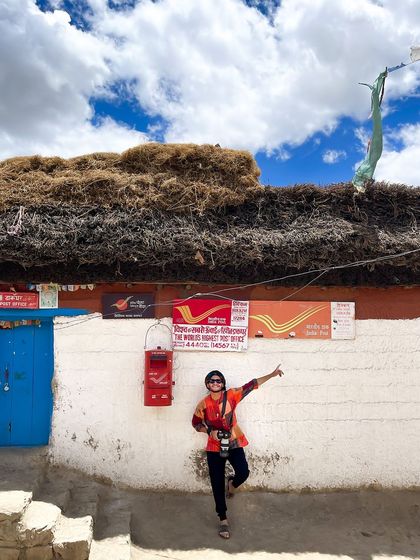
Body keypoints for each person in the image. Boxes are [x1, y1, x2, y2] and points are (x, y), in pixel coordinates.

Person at [192, 364, 284, 539]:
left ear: (223, 383)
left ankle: (232, 485)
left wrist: (271, 375)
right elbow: (195, 423)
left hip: (234, 440)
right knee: (216, 483)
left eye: (218, 380)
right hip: (214, 446)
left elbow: (252, 384)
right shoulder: (203, 404)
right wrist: (208, 431)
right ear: (207, 384)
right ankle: (223, 520)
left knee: (243, 471)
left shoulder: (232, 395)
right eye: (212, 381)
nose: (215, 383)